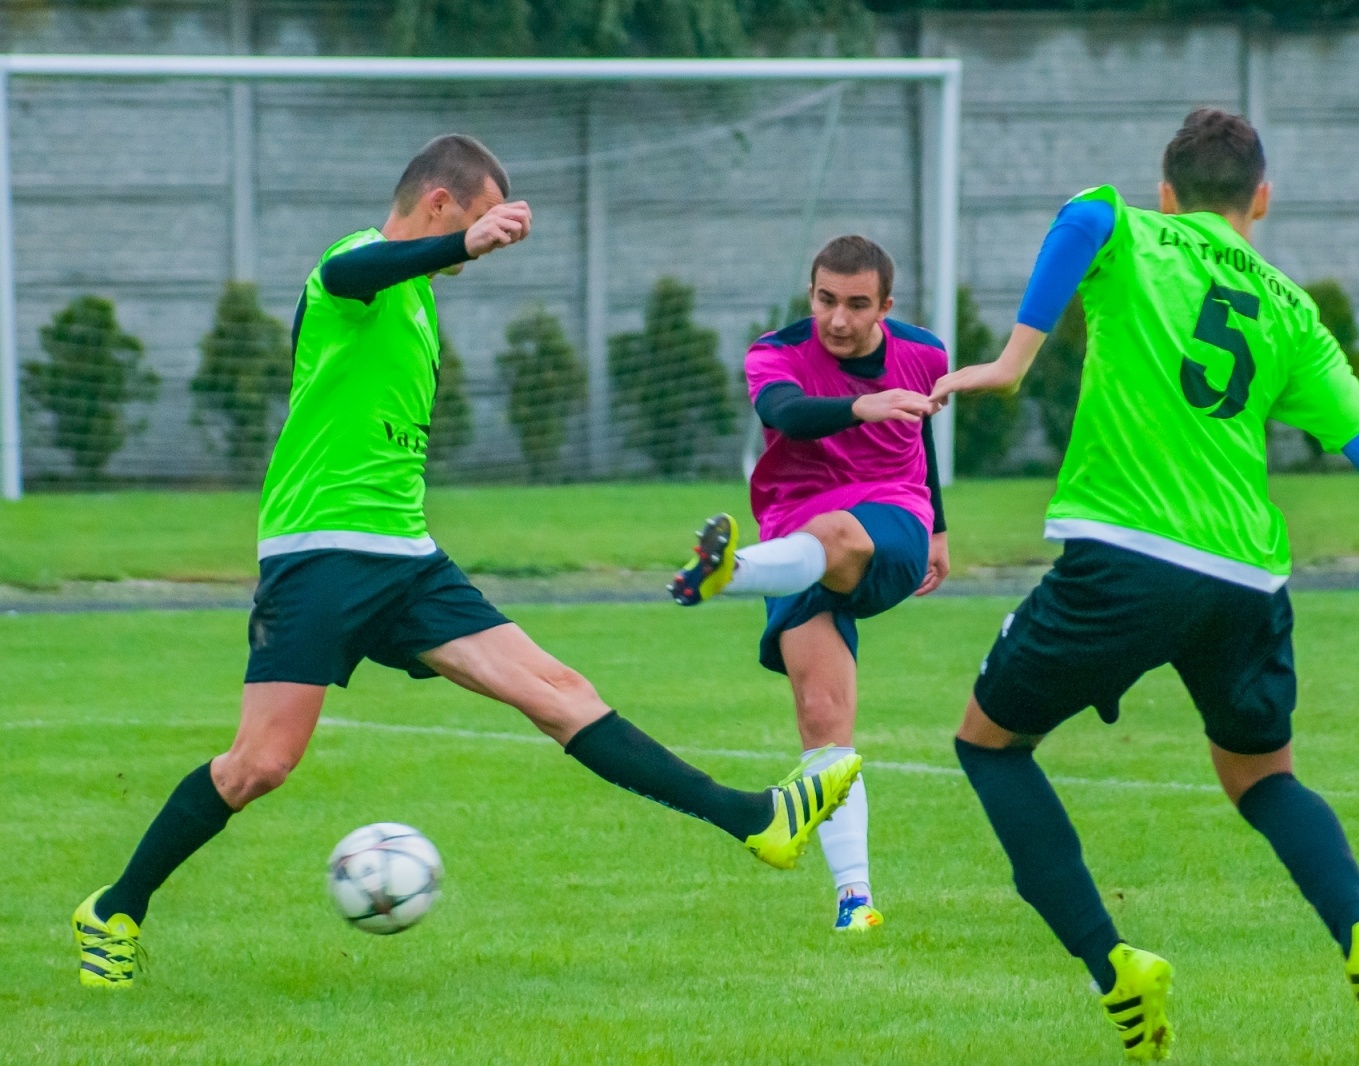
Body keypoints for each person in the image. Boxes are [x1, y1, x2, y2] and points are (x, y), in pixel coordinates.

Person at [71, 134, 862, 989]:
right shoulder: (355, 271)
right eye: (480, 220)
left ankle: (756, 819)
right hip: (320, 552)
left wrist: (458, 248)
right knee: (260, 764)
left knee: (560, 693)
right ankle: (113, 909)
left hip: (406, 559)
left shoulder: (419, 301)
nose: (486, 242)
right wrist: (465, 243)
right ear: (440, 204)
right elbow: (354, 270)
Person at [930, 108, 1359, 1061]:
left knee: (990, 747)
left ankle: (1116, 968)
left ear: (1166, 191)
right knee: (1263, 778)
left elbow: (1083, 215)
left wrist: (1013, 360)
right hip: (1246, 579)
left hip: (1125, 555)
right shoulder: (1293, 312)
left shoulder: (1129, 227)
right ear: (1262, 199)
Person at [670, 236, 950, 931]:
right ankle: (855, 900)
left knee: (840, 534)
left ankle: (732, 573)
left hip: (890, 516)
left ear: (886, 306)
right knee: (822, 719)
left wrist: (940, 530)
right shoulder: (776, 352)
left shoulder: (926, 354)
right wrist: (862, 406)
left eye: (857, 304)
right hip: (792, 535)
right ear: (811, 293)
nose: (838, 319)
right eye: (826, 300)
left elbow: (921, 437)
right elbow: (784, 414)